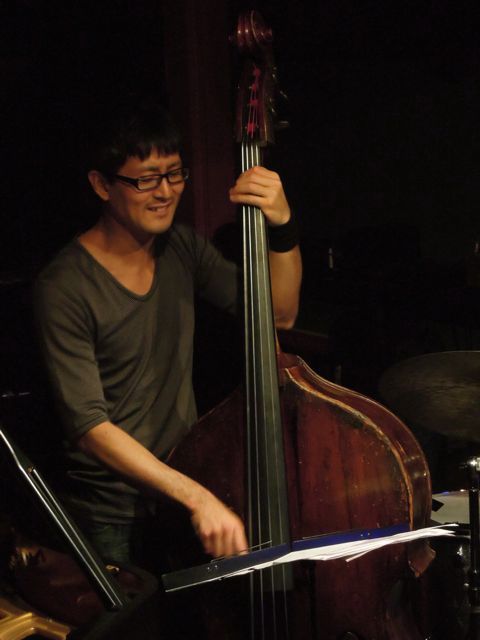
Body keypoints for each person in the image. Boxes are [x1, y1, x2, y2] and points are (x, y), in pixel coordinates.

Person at [33, 102, 302, 568]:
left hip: (181, 489)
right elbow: (90, 428)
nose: (165, 192)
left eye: (175, 174)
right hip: (112, 516)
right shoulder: (64, 287)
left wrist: (282, 226)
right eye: (146, 179)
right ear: (101, 185)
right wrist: (197, 496)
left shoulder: (181, 247)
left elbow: (279, 315)